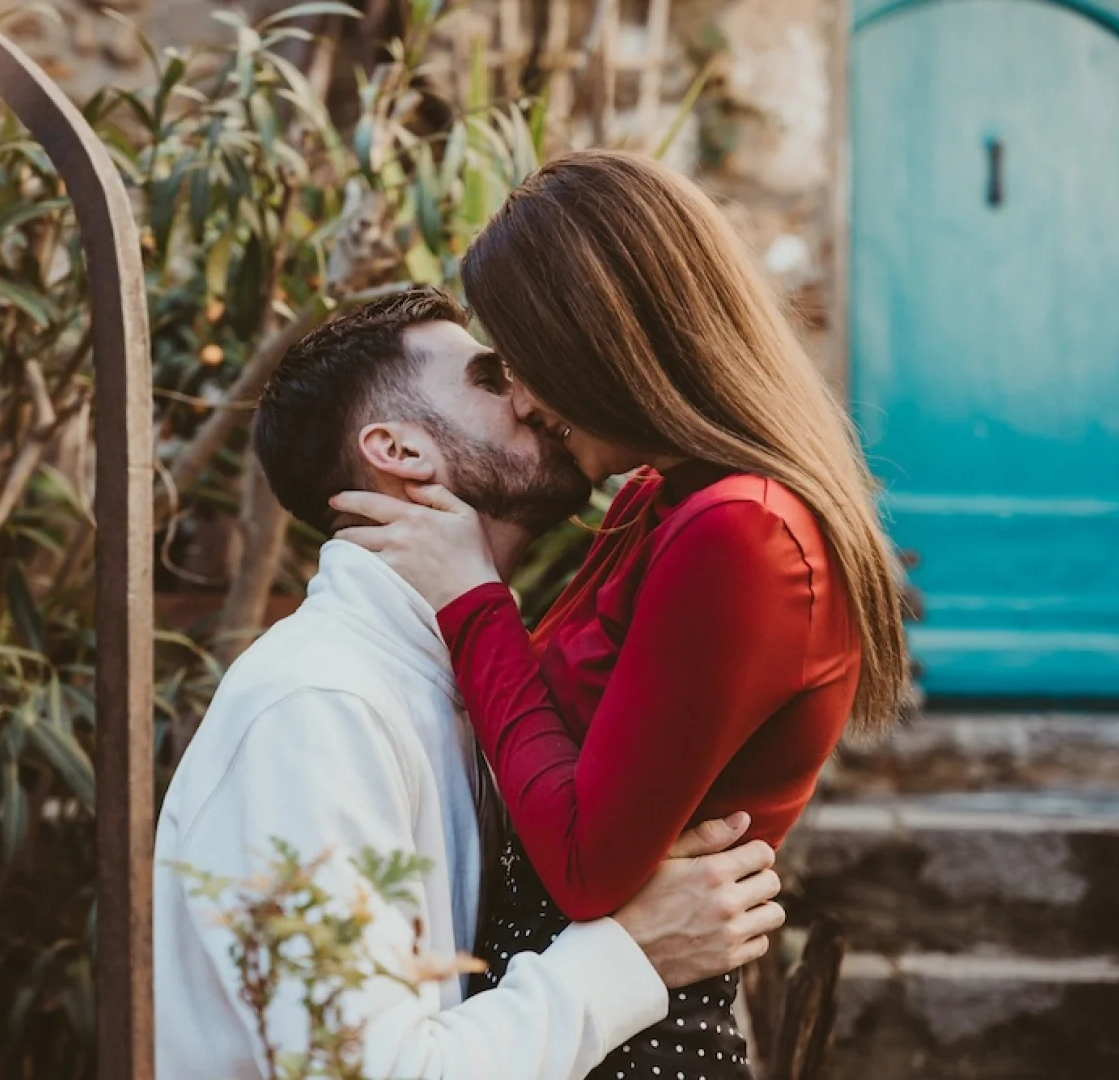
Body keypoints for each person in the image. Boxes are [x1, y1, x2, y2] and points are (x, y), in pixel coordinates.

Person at [331, 150, 910, 1079]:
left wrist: (475, 599)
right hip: (563, 1020)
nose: (519, 397)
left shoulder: (742, 534)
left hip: (633, 1045)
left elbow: (587, 866)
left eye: (520, 361)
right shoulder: (663, 501)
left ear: (599, 340)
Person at [153, 289, 787, 1080]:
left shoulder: (447, 681)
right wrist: (630, 954)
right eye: (492, 378)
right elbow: (366, 1073)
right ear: (401, 452)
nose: (531, 393)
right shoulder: (315, 708)